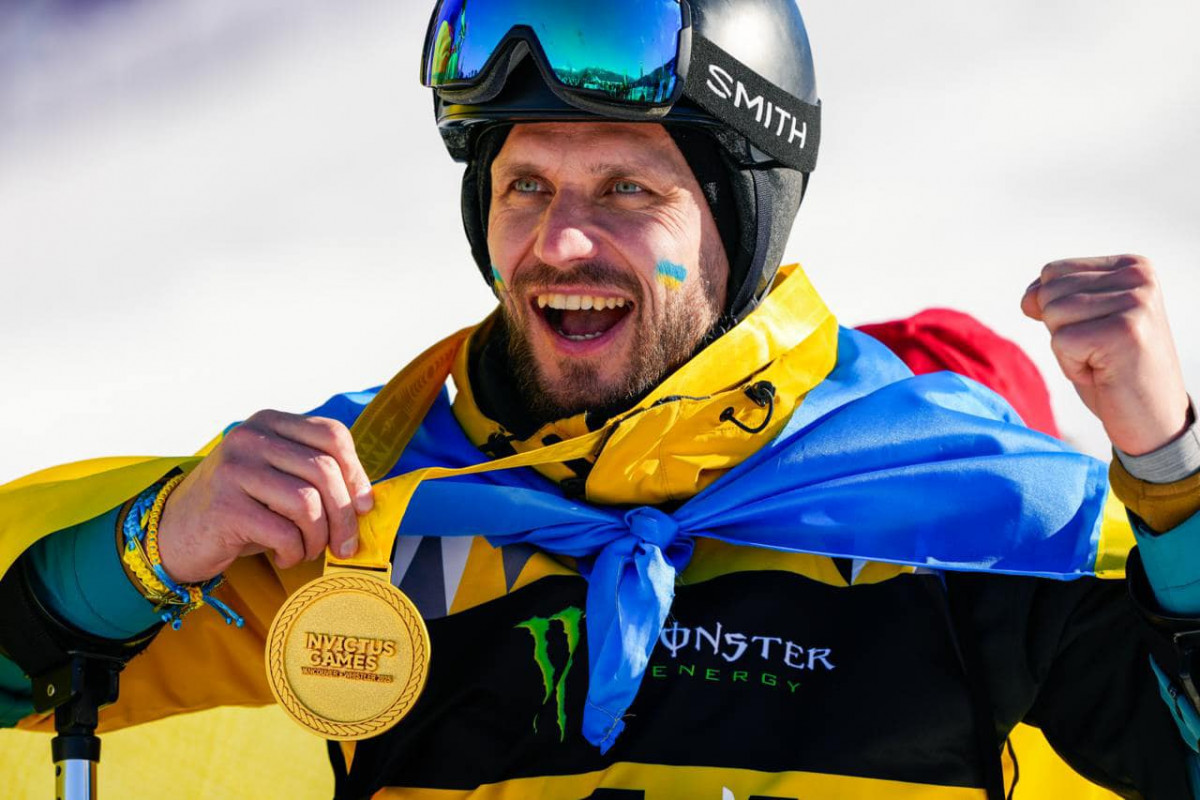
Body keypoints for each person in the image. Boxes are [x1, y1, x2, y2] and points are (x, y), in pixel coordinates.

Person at [3, 1, 1200, 798]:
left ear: (741, 219)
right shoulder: (367, 500)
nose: (560, 241)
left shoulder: (963, 510)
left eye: (628, 188)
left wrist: (1169, 468)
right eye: (525, 185)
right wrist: (142, 549)